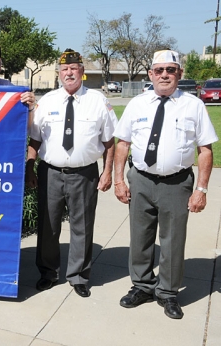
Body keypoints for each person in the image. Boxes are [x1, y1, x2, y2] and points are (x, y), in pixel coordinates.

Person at [113, 50, 217, 319]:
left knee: (172, 241)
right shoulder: (137, 104)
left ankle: (168, 293)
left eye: (171, 70)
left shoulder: (193, 105)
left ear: (179, 74)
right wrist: (119, 180)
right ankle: (142, 286)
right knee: (140, 238)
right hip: (141, 180)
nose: (164, 75)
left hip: (177, 183)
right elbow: (122, 144)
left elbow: (205, 150)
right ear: (150, 74)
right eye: (159, 70)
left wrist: (201, 190)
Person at [25, 49, 117, 298]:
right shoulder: (47, 101)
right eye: (64, 69)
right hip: (50, 173)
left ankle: (78, 276)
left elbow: (110, 142)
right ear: (58, 73)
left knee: (83, 226)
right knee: (48, 227)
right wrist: (30, 168)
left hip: (85, 174)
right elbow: (34, 139)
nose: (69, 73)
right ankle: (48, 273)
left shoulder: (98, 101)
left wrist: (107, 173)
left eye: (74, 68)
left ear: (82, 72)